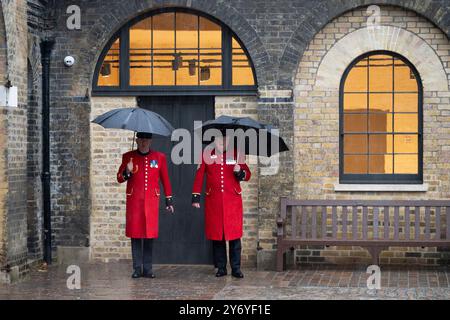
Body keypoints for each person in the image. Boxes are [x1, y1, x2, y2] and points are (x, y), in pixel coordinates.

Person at [192, 135, 251, 278]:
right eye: (219, 140)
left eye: (225, 140)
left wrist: (240, 172)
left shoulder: (237, 154)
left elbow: (248, 174)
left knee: (234, 236)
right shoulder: (207, 154)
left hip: (233, 202)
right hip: (214, 202)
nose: (222, 143)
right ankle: (221, 268)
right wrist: (195, 197)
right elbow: (199, 175)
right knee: (217, 236)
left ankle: (236, 268)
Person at [117, 132, 174, 279]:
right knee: (135, 236)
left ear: (150, 141)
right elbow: (119, 178)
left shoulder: (159, 157)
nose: (143, 142)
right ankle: (137, 269)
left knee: (149, 236)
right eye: (141, 139)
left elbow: (166, 180)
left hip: (151, 203)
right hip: (134, 202)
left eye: (146, 139)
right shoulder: (127, 157)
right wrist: (127, 171)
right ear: (136, 140)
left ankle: (148, 269)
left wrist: (169, 200)